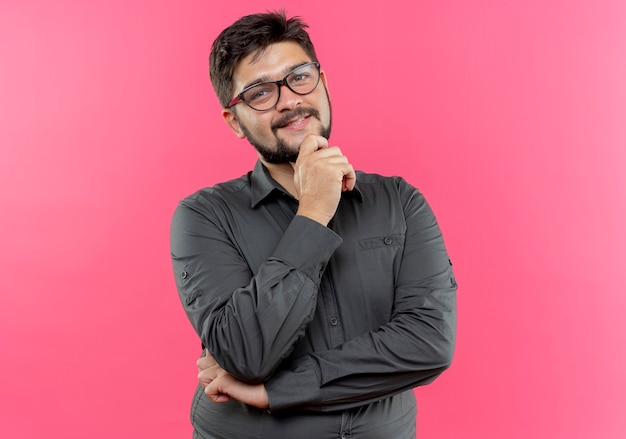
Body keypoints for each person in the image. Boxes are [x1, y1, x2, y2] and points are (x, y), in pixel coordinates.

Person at [170, 10, 457, 439]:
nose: (289, 100)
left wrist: (276, 391)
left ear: (323, 81)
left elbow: (428, 344)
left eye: (299, 77)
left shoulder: (400, 202)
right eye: (261, 92)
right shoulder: (203, 217)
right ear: (234, 120)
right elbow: (246, 353)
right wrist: (314, 213)